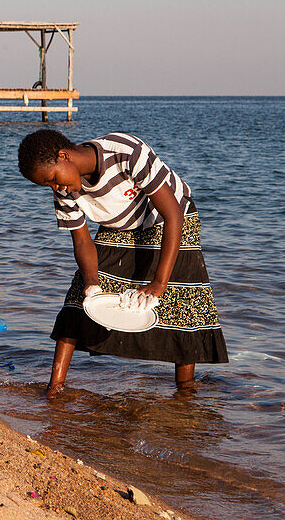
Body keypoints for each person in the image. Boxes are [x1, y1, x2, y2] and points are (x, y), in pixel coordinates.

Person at [17, 129, 227, 398]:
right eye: (49, 186)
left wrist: (160, 282)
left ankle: (184, 396)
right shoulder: (65, 190)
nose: (56, 188)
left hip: (171, 219)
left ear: (64, 155)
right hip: (117, 226)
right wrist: (92, 282)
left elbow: (173, 213)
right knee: (77, 302)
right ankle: (54, 389)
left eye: (54, 180)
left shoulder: (125, 152)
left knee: (181, 304)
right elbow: (82, 241)